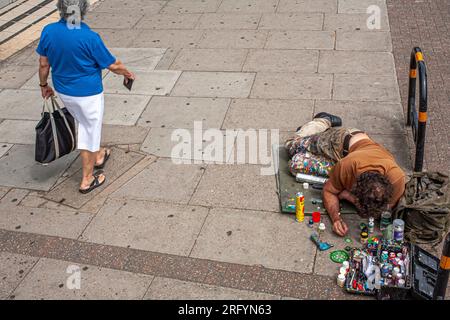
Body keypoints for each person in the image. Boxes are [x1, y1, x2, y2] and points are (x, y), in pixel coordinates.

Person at [36, 0, 135, 193]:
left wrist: (43, 85)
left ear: (60, 9)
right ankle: (87, 180)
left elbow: (43, 64)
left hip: (64, 90)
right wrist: (127, 73)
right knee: (89, 130)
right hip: (88, 93)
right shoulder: (89, 37)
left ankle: (98, 155)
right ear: (83, 10)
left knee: (83, 121)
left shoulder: (48, 31)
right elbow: (113, 65)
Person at [285, 113, 406, 237]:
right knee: (291, 149)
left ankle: (334, 174)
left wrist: (347, 196)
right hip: (340, 143)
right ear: (355, 185)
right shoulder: (349, 166)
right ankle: (323, 122)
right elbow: (329, 191)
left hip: (349, 158)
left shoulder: (397, 179)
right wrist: (336, 218)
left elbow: (387, 207)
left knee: (299, 161)